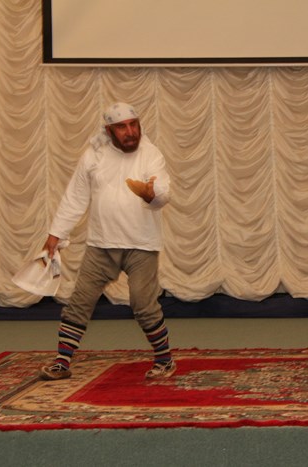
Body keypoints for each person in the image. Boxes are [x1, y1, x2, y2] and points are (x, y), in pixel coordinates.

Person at [39, 102, 176, 381]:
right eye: (122, 127)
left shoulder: (151, 154)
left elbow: (162, 191)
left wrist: (152, 194)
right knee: (80, 301)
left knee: (143, 304)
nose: (130, 132)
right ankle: (62, 363)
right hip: (101, 245)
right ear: (109, 130)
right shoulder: (94, 156)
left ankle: (165, 360)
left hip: (141, 245)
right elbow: (75, 198)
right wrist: (55, 234)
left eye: (133, 125)